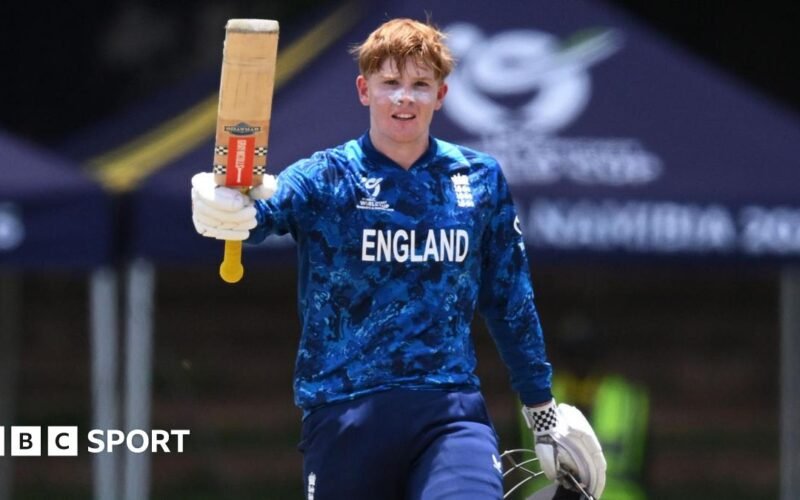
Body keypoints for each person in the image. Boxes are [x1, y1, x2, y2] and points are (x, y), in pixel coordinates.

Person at [191, 18, 606, 500]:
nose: (404, 98)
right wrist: (225, 208)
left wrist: (542, 412)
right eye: (390, 83)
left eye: (420, 85)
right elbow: (261, 213)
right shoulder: (328, 176)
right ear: (364, 90)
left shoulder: (479, 178)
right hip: (344, 413)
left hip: (450, 413)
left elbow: (511, 300)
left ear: (441, 94)